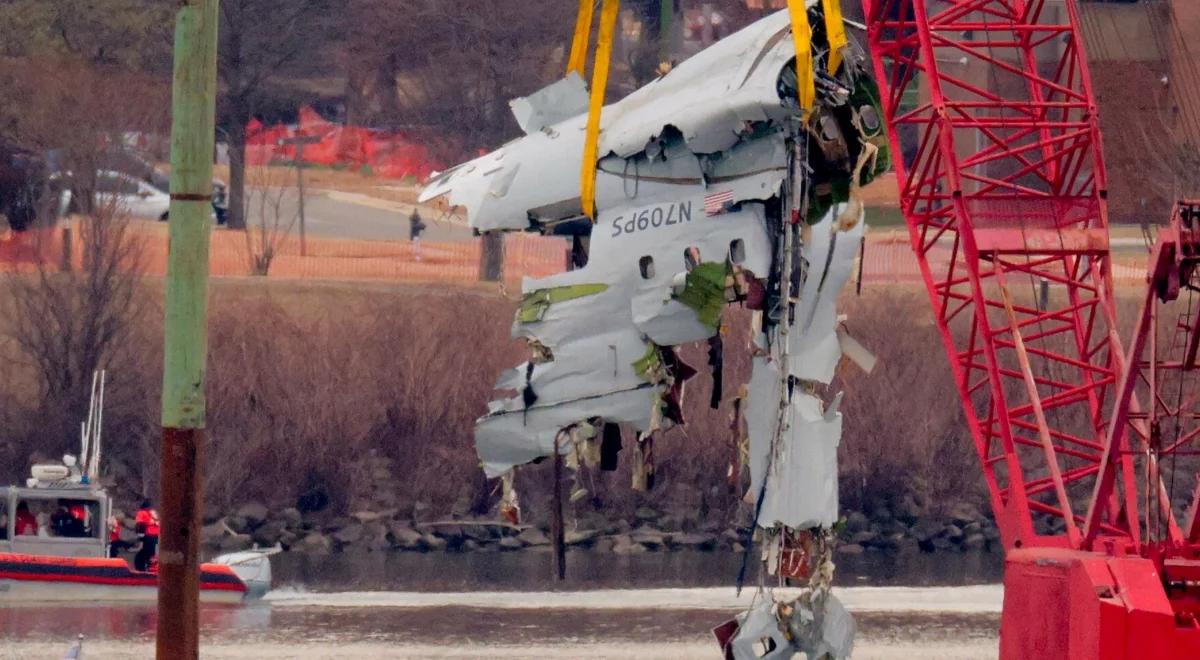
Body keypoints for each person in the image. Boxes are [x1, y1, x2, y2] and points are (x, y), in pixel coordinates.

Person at [134, 499, 160, 572]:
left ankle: (141, 567)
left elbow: (140, 524)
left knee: (145, 552)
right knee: (151, 552)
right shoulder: (153, 513)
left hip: (148, 535)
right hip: (155, 535)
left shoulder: (142, 513)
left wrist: (140, 535)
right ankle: (150, 566)